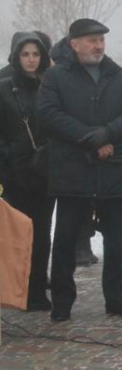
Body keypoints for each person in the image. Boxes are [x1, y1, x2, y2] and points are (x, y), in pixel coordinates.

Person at [37, 18, 122, 321]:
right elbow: (48, 114)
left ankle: (116, 298)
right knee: (66, 239)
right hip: (72, 171)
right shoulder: (56, 77)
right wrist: (90, 138)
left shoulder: (120, 76)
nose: (98, 46)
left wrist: (108, 134)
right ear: (74, 44)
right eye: (91, 40)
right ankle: (62, 302)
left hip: (113, 168)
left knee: (114, 239)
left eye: (101, 40)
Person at [0, 32, 55, 311]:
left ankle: (36, 291)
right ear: (16, 56)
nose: (31, 59)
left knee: (42, 233)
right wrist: (8, 156)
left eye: (35, 54)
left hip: (45, 172)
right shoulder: (4, 88)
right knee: (15, 235)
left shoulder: (51, 86)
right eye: (25, 54)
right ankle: (14, 289)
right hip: (14, 174)